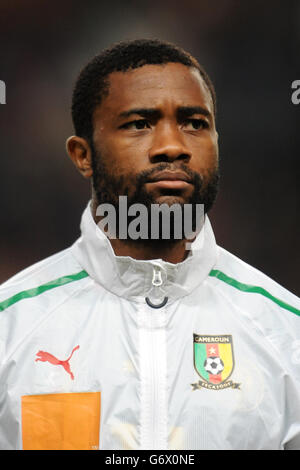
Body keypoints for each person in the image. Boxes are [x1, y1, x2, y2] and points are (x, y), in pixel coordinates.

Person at [0, 39, 299, 451]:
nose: (173, 146)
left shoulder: (287, 334)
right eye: (139, 123)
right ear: (82, 154)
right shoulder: (10, 328)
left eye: (195, 123)